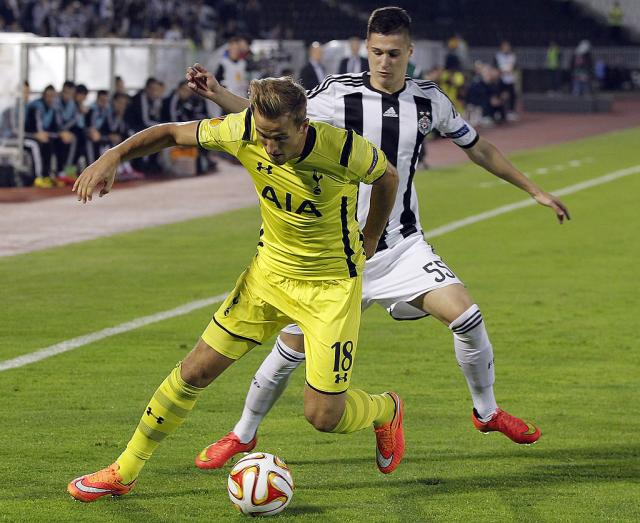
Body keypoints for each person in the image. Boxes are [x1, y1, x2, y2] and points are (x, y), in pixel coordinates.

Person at [186, 6, 571, 469]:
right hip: (335, 256)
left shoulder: (430, 101)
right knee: (289, 350)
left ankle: (486, 412)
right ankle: (243, 433)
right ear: (366, 49)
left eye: (393, 53)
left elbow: (479, 148)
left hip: (401, 245)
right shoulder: (336, 94)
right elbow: (268, 120)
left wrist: (535, 190)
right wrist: (218, 94)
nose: (383, 62)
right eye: (376, 52)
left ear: (410, 52)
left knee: (467, 316)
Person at [67, 75, 402, 502]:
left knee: (323, 416)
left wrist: (371, 236)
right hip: (267, 279)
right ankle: (124, 470)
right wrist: (113, 155)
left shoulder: (343, 148)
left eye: (279, 138)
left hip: (330, 289)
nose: (270, 147)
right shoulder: (242, 130)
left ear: (304, 125)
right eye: (263, 136)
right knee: (194, 371)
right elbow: (171, 133)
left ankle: (386, 408)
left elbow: (387, 177)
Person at [494, 40, 518, 121]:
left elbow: (515, 66)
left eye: (507, 46)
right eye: (504, 46)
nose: (506, 48)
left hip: (510, 79)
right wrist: (501, 71)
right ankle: (498, 112)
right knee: (499, 95)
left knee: (512, 96)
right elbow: (495, 66)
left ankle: (511, 111)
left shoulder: (512, 56)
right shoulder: (498, 56)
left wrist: (510, 69)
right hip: (501, 79)